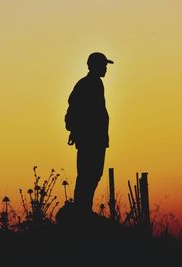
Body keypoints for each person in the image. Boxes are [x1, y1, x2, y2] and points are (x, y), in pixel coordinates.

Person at [65, 52, 114, 216]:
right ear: (95, 66)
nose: (106, 68)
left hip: (96, 139)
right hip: (91, 140)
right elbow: (74, 110)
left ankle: (84, 209)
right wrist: (76, 130)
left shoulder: (94, 84)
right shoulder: (88, 84)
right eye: (104, 65)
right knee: (88, 174)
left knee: (92, 174)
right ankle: (82, 211)